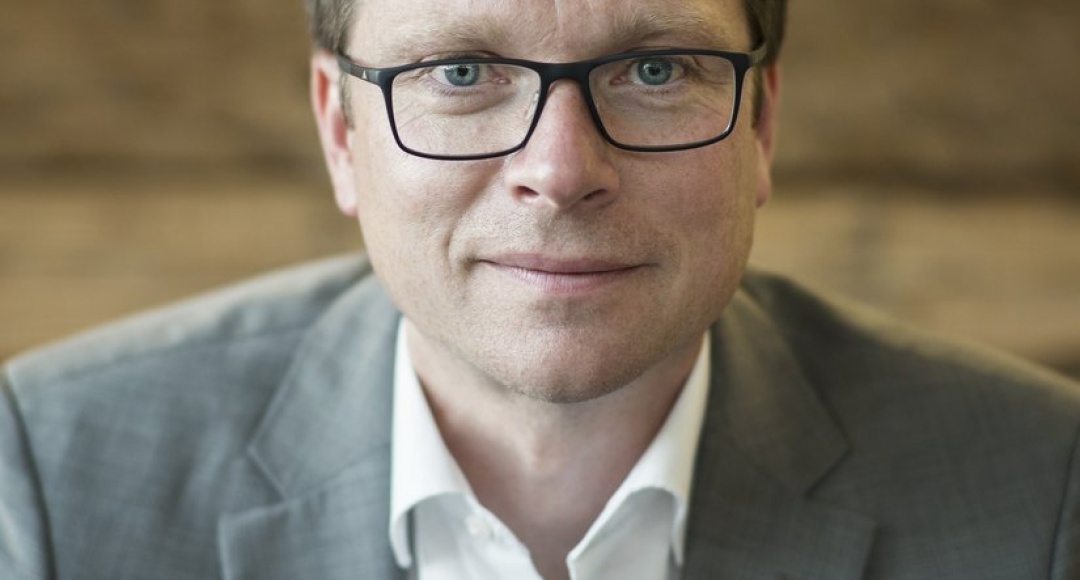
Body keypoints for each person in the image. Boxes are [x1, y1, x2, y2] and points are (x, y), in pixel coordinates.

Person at [2, 0, 1079, 578]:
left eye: (655, 69)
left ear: (760, 125)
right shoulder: (53, 478)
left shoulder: (1040, 493)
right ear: (340, 132)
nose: (561, 171)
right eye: (461, 72)